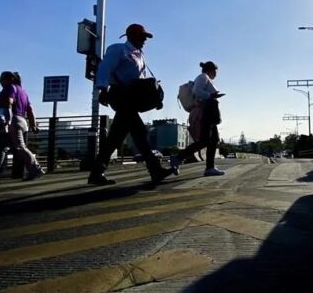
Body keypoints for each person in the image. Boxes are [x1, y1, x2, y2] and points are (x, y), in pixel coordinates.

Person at [88, 24, 176, 186]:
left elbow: (141, 80)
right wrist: (103, 89)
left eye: (145, 38)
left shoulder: (140, 55)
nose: (145, 40)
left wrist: (153, 98)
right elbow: (105, 67)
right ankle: (155, 170)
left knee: (116, 137)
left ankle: (96, 172)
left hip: (131, 98)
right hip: (120, 95)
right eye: (142, 37)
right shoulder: (118, 49)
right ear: (131, 36)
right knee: (140, 133)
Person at [0, 71, 45, 182]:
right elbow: (30, 110)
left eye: (2, 80)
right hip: (21, 121)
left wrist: (7, 121)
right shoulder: (23, 92)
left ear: (10, 79)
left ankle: (36, 169)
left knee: (19, 147)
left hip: (13, 120)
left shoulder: (10, 87)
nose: (1, 83)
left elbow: (9, 102)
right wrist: (33, 125)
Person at [170, 61, 225, 176]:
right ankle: (178, 157)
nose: (216, 74)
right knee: (204, 140)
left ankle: (210, 167)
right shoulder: (203, 77)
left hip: (209, 113)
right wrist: (210, 95)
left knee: (213, 140)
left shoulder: (205, 78)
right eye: (215, 71)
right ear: (211, 70)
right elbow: (196, 91)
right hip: (205, 113)